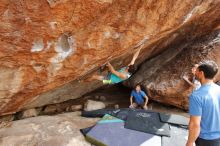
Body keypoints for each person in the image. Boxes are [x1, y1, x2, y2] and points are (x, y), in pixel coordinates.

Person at [186, 60, 220, 146]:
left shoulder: (196, 96)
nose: (195, 72)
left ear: (201, 73)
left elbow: (195, 125)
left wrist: (189, 143)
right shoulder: (218, 89)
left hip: (206, 140)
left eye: (196, 70)